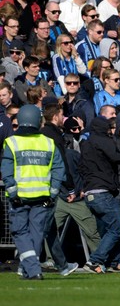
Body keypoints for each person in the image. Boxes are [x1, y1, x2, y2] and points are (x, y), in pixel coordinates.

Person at [2, 104, 66, 280]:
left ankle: (33, 270)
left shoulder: (12, 142)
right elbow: (59, 169)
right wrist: (53, 193)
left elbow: (6, 170)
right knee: (36, 233)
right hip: (42, 197)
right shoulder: (48, 142)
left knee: (20, 233)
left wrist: (13, 191)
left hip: (19, 198)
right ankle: (26, 269)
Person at [79, 115, 120, 273]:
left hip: (90, 194)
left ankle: (112, 263)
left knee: (109, 229)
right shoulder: (104, 141)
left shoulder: (86, 144)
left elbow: (80, 168)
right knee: (116, 229)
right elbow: (116, 157)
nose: (111, 130)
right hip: (102, 193)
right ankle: (95, 261)